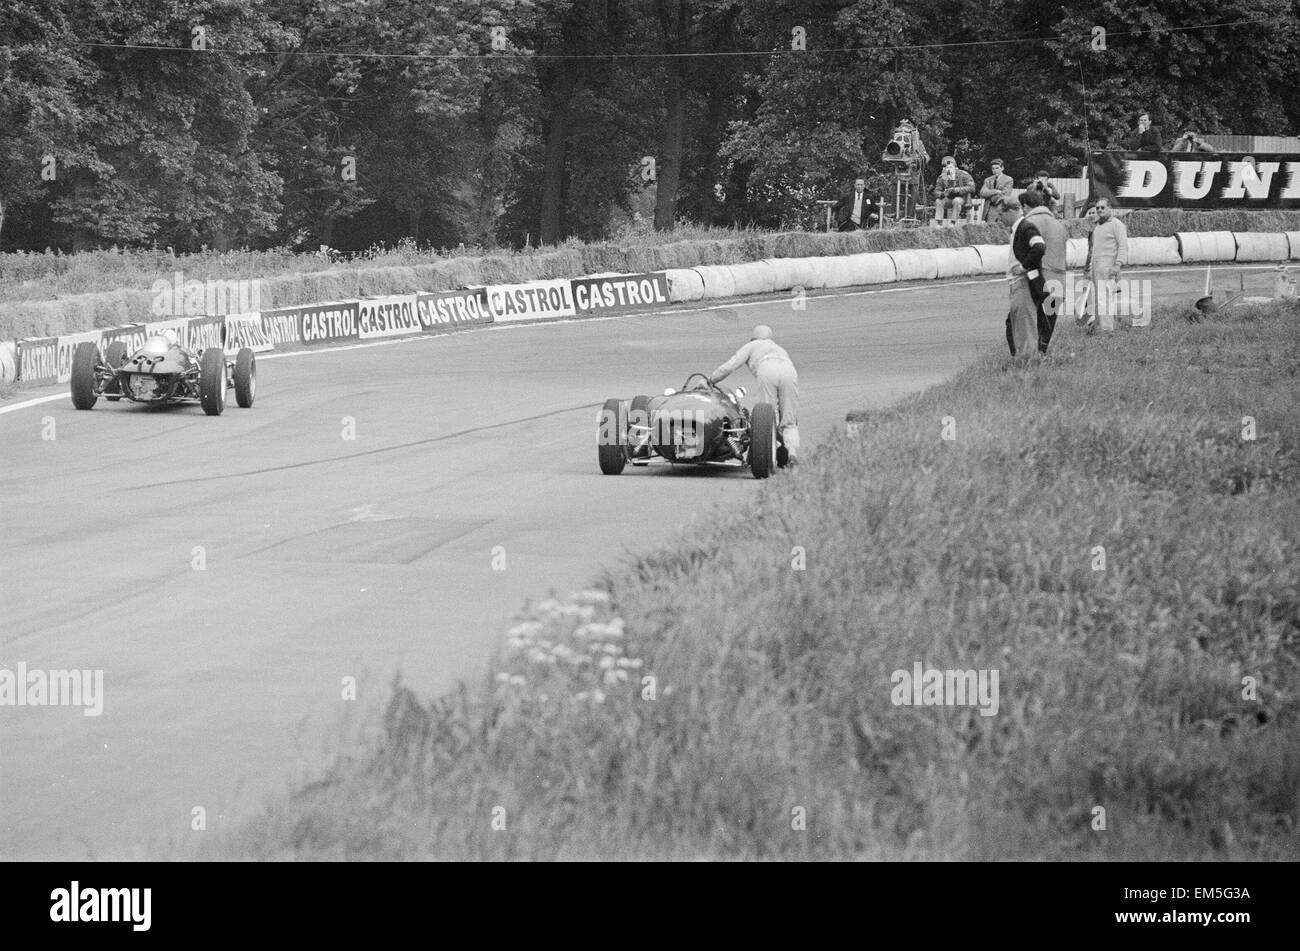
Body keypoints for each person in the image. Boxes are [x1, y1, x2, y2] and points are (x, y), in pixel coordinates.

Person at [709, 325, 800, 467]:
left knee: (768, 416)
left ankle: (769, 453)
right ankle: (792, 453)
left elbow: (730, 366)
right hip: (789, 371)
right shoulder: (779, 348)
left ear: (753, 338)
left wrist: (711, 380)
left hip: (767, 369)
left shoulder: (751, 345)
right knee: (789, 419)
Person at [1021, 189, 1067, 355]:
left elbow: (1026, 252)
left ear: (1026, 207)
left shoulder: (1029, 223)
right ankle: (1042, 355)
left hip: (1040, 280)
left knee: (1032, 324)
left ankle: (1030, 358)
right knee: (1048, 323)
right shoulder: (1058, 224)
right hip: (1059, 281)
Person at [999, 197, 1044, 360]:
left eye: (1001, 214)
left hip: (1024, 282)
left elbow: (1039, 247)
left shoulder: (1026, 227)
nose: (1000, 219)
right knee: (1017, 324)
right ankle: (1022, 358)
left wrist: (1024, 266)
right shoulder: (1017, 229)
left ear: (1011, 211)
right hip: (1017, 283)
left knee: (1025, 324)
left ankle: (1028, 360)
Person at [1084, 198, 1128, 332]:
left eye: (1102, 207)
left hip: (1108, 266)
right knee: (1097, 298)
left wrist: (1118, 265)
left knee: (1105, 298)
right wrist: (1090, 268)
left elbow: (1123, 246)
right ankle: (1098, 327)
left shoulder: (1117, 224)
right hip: (1096, 267)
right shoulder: (1098, 226)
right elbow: (1093, 250)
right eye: (1097, 208)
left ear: (1110, 208)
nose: (1099, 210)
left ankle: (1107, 329)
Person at [932, 156, 975, 222]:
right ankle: (938, 222)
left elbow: (972, 187)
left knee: (956, 200)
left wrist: (956, 190)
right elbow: (936, 191)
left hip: (962, 198)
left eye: (951, 167)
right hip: (948, 198)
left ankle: (953, 222)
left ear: (955, 168)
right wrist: (942, 194)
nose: (948, 169)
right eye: (946, 168)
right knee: (939, 201)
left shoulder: (964, 175)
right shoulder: (942, 177)